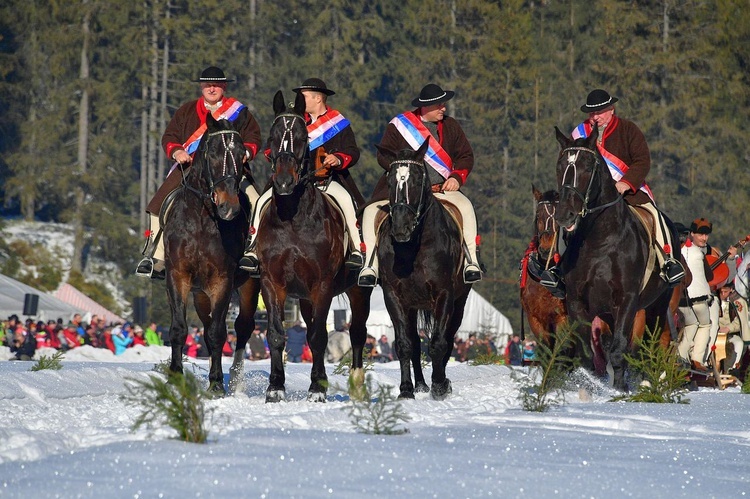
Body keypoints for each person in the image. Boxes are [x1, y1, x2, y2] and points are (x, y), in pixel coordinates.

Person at [540, 89, 685, 294]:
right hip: (589, 197)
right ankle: (558, 267)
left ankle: (668, 262)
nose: (595, 117)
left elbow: (642, 161)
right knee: (566, 221)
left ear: (611, 109)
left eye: (599, 112)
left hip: (629, 192)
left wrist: (626, 182)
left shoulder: (628, 130)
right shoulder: (578, 133)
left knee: (653, 215)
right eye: (592, 113)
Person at [136, 66, 263, 279]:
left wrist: (247, 153)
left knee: (257, 201)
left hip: (229, 171)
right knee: (158, 203)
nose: (211, 88)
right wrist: (177, 151)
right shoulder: (186, 110)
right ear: (201, 87)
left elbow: (254, 137)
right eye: (207, 85)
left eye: (216, 85)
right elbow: (170, 137)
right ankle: (155, 257)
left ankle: (254, 253)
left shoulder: (239, 113)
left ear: (223, 86)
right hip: (189, 170)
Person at [357, 83, 482, 286]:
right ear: (427, 107)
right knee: (371, 212)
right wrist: (399, 170)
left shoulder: (451, 126)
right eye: (439, 105)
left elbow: (465, 155)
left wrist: (456, 178)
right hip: (405, 192)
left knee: (466, 207)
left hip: (441, 190)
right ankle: (370, 265)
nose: (444, 108)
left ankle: (471, 261)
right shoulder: (398, 126)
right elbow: (383, 154)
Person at [239, 78, 366, 275]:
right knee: (262, 202)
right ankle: (252, 249)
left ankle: (358, 250)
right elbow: (273, 144)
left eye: (304, 96)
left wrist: (338, 158)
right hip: (296, 183)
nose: (300, 100)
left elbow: (352, 151)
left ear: (318, 98)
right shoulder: (294, 122)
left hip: (326, 182)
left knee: (348, 202)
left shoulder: (337, 122)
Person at [677, 218, 715, 371]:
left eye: (706, 235)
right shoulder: (698, 252)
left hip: (682, 301)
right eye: (701, 234)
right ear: (691, 234)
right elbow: (710, 276)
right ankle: (697, 359)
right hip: (699, 299)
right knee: (705, 325)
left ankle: (680, 356)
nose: (704, 238)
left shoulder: (678, 251)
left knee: (691, 325)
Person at [716, 282, 746, 373]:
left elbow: (740, 319)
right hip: (714, 334)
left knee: (739, 343)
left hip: (730, 334)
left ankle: (731, 370)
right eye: (721, 292)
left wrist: (728, 328)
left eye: (726, 291)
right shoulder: (713, 300)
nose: (723, 294)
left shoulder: (736, 302)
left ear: (731, 290)